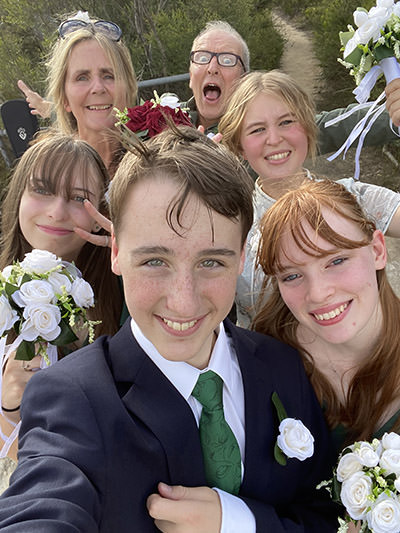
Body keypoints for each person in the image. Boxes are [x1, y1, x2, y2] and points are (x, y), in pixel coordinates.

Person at [0, 126, 338, 532]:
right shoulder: (71, 398)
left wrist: (238, 522)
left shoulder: (283, 366)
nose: (184, 301)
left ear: (242, 255)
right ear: (118, 254)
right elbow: (43, 505)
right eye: (154, 261)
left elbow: (321, 512)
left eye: (211, 262)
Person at [218, 70, 400, 327]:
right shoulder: (228, 223)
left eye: (286, 122)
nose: (274, 138)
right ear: (239, 147)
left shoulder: (351, 198)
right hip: (266, 365)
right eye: (257, 129)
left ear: (307, 129)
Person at [252, 178, 400, 453]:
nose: (318, 294)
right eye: (292, 275)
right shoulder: (261, 367)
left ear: (377, 251)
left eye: (336, 261)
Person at [0, 132, 123, 461]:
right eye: (41, 190)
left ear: (100, 211)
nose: (56, 212)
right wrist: (10, 407)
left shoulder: (126, 292)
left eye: (78, 198)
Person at [19, 11, 137, 176]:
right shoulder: (47, 169)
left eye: (109, 75)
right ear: (64, 98)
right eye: (82, 78)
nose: (98, 87)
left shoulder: (155, 161)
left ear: (128, 87)